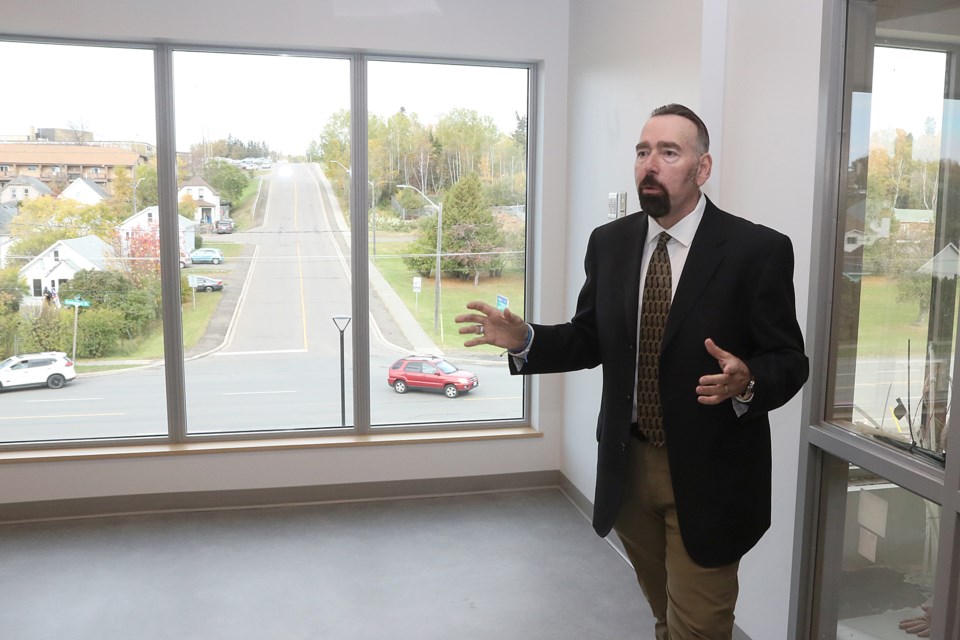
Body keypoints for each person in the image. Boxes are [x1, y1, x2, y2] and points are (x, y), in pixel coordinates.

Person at [455, 103, 809, 639]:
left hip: (710, 476)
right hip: (629, 469)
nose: (651, 164)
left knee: (700, 626)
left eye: (669, 152)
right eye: (643, 151)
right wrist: (528, 340)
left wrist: (748, 380)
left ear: (702, 168)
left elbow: (790, 360)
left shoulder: (755, 251)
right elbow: (590, 337)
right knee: (666, 615)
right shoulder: (612, 243)